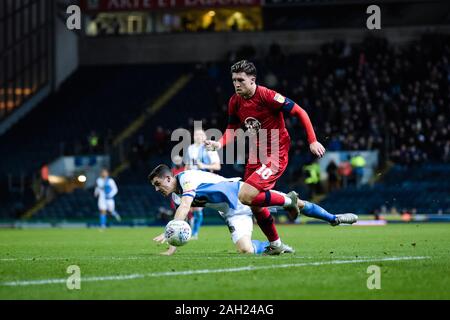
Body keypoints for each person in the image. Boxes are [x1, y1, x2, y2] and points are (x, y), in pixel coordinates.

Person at [205, 60, 327, 254]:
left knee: (245, 195)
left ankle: (288, 202)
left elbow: (300, 112)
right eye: (234, 80)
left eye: (241, 80)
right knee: (253, 203)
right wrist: (219, 143)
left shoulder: (267, 96)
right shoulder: (234, 101)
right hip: (256, 153)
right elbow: (232, 128)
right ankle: (276, 245)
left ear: (252, 80)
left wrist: (312, 140)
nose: (236, 84)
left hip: (275, 152)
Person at [148, 164, 358, 256]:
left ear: (169, 177)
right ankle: (275, 246)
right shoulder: (176, 196)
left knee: (298, 203)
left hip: (243, 194)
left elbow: (185, 208)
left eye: (158, 184)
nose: (158, 189)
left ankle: (333, 218)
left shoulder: (187, 178)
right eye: (155, 187)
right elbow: (183, 221)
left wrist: (170, 229)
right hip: (232, 213)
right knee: (245, 250)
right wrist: (171, 247)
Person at [185, 129, 221, 239]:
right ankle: (187, 229)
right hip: (191, 179)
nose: (198, 136)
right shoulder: (190, 148)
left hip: (203, 180)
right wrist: (186, 173)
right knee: (187, 206)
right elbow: (187, 164)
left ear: (205, 137)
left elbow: (217, 166)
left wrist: (204, 166)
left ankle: (194, 233)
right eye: (196, 134)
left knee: (197, 207)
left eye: (201, 134)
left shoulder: (209, 148)